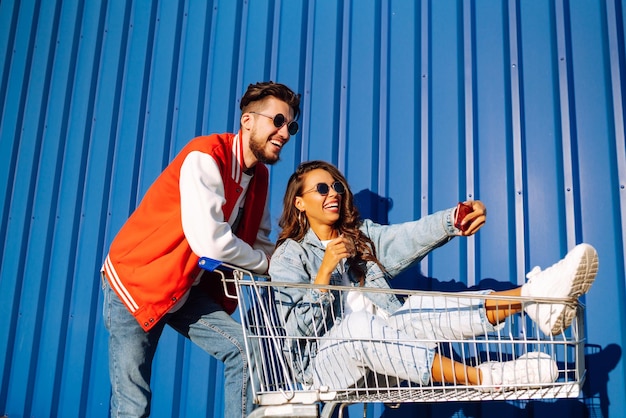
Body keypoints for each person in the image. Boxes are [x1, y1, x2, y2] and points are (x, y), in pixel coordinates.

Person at [269, 160, 598, 391]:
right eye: (322, 188)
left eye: (337, 186)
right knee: (358, 327)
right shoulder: (289, 255)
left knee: (414, 308)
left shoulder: (359, 237)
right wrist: (324, 273)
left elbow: (408, 237)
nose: (334, 193)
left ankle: (534, 296)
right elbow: (296, 332)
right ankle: (484, 377)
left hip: (386, 359)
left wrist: (455, 218)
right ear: (299, 203)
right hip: (324, 367)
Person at [101, 81, 301, 417]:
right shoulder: (206, 155)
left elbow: (262, 242)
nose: (284, 132)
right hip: (138, 281)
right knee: (133, 406)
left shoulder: (260, 178)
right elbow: (209, 240)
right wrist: (265, 266)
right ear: (248, 120)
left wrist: (294, 269)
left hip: (182, 286)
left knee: (246, 350)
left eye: (291, 126)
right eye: (277, 121)